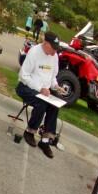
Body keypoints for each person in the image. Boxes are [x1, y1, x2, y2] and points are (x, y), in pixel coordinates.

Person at [16, 31, 64, 159]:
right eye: (53, 48)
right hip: (25, 87)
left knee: (54, 105)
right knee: (42, 102)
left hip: (44, 91)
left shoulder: (54, 56)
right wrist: (40, 89)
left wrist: (56, 86)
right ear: (46, 43)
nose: (55, 52)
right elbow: (23, 75)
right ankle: (30, 131)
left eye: (56, 49)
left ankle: (45, 141)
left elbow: (52, 77)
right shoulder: (34, 52)